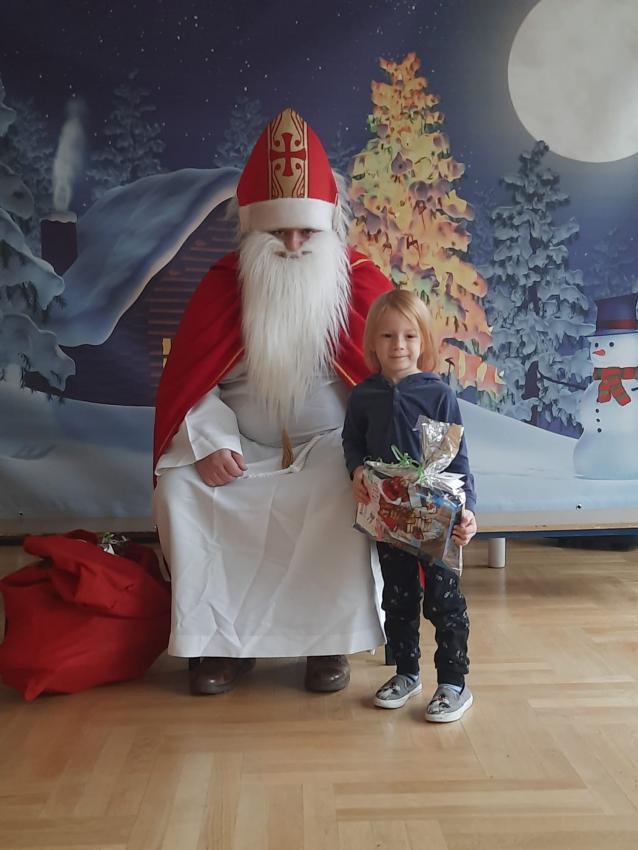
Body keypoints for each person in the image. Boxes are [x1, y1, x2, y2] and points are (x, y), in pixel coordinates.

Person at [153, 108, 393, 696]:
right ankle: (218, 647)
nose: (292, 245)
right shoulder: (222, 287)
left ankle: (327, 641)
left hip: (333, 446)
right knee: (182, 487)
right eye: (277, 232)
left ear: (328, 228)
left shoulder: (361, 283)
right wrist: (210, 443)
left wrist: (368, 448)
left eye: (306, 232)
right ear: (252, 231)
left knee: (346, 488)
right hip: (238, 449)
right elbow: (189, 384)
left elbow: (395, 381)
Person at [341, 289, 477, 722]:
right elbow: (352, 441)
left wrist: (468, 511)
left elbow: (458, 461)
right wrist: (356, 471)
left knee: (444, 600)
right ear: (372, 343)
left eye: (409, 336)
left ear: (424, 342)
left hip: (437, 517)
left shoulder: (438, 395)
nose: (398, 345)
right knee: (397, 598)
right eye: (387, 336)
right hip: (389, 518)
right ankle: (406, 673)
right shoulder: (362, 396)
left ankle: (453, 683)